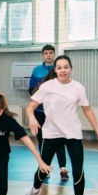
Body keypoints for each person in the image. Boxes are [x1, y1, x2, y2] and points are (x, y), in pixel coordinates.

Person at [24, 55, 98, 195]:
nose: (63, 70)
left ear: (70, 68)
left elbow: (87, 110)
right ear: (55, 69)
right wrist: (31, 118)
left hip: (73, 133)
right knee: (43, 169)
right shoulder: (47, 86)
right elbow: (30, 107)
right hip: (52, 133)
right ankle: (34, 190)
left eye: (66, 67)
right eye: (59, 68)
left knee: (78, 170)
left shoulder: (78, 87)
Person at [29, 45, 68, 182]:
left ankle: (63, 170)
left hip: (56, 113)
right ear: (43, 55)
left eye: (51, 52)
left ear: (54, 54)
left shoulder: (59, 70)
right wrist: (42, 93)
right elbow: (31, 90)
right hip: (40, 112)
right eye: (46, 53)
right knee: (42, 140)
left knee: (60, 141)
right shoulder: (37, 70)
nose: (48, 55)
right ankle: (44, 167)